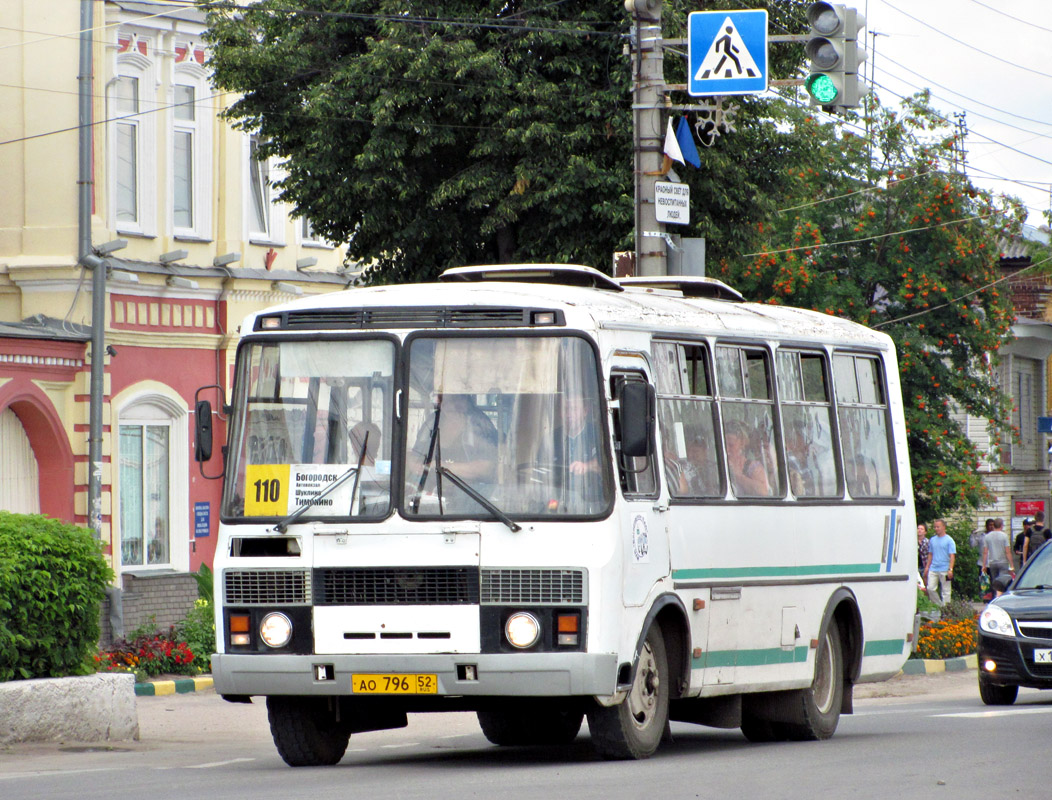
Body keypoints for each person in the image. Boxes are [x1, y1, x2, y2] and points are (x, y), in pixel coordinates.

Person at [725, 420, 772, 497]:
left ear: (742, 443)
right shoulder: (715, 467)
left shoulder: (752, 467)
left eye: (731, 445)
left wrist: (738, 476)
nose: (727, 449)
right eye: (724, 445)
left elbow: (764, 491)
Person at [924, 518, 956, 606]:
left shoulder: (949, 540)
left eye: (938, 527)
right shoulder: (932, 540)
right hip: (933, 568)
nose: (936, 529)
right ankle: (939, 605)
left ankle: (946, 609)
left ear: (943, 527)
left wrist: (950, 569)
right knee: (930, 588)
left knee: (946, 591)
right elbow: (930, 554)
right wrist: (927, 567)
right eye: (935, 527)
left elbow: (952, 556)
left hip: (945, 569)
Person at [982, 517, 1014, 590]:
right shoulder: (1004, 536)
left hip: (992, 562)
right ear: (1001, 525)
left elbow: (985, 552)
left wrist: (984, 565)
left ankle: (995, 596)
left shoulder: (987, 536)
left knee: (995, 581)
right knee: (1002, 582)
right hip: (1003, 562)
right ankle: (1000, 596)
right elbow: (1007, 551)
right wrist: (1011, 565)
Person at [916, 523, 930, 588]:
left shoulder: (928, 542)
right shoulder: (913, 541)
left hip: (924, 566)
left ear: (925, 532)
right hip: (915, 566)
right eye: (918, 528)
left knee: (926, 584)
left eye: (921, 529)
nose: (919, 530)